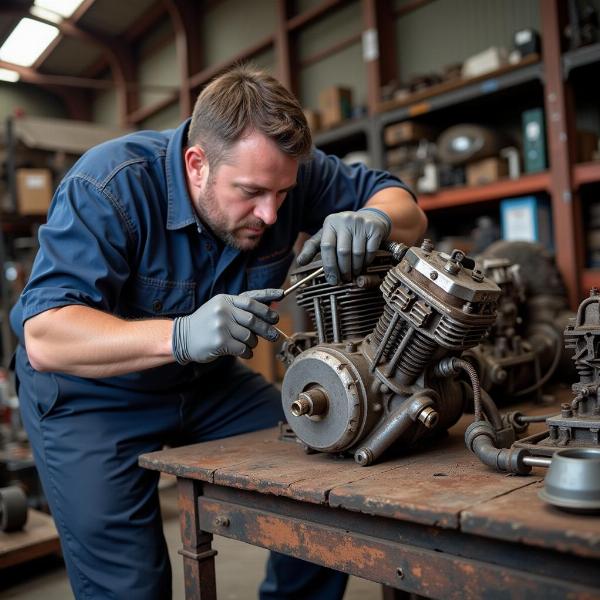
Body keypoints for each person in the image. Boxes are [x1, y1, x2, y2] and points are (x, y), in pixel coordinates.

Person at [10, 65, 427, 600]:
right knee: (131, 587)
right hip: (89, 397)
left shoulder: (279, 169)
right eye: (251, 193)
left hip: (205, 386)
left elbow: (406, 207)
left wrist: (376, 219)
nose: (272, 213)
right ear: (196, 164)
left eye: (283, 193)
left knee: (330, 469)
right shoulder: (109, 184)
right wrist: (179, 335)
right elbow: (45, 336)